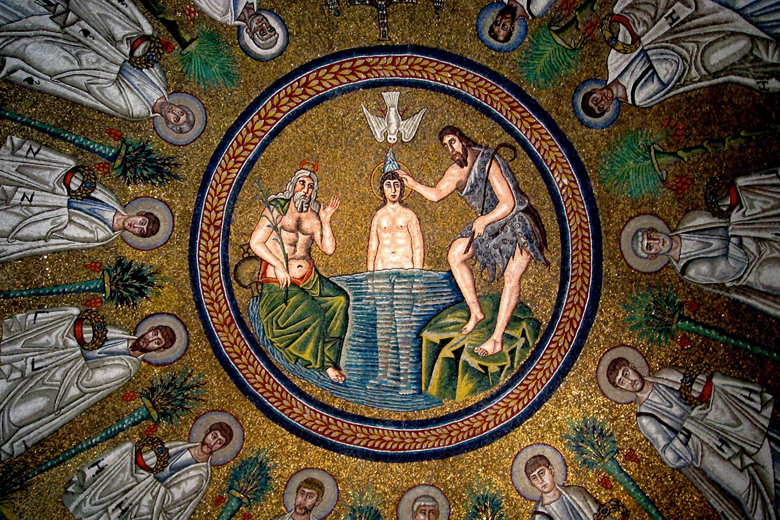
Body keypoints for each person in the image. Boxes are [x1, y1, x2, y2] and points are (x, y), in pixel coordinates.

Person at [398, 125, 548, 357]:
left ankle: (496, 339)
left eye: (453, 142)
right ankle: (476, 312)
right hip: (488, 224)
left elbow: (508, 203)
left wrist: (485, 220)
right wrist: (413, 184)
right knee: (455, 254)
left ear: (463, 139)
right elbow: (437, 194)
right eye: (446, 146)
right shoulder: (455, 171)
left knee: (511, 276)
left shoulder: (487, 161)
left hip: (516, 220)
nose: (451, 149)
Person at [606, 356, 777, 519]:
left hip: (722, 424)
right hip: (704, 452)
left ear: (632, 366)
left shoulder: (667, 375)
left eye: (626, 373)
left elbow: (704, 383)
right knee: (747, 487)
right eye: (622, 382)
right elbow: (670, 456)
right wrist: (688, 428)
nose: (629, 381)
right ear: (621, 389)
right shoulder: (645, 417)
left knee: (764, 458)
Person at [0, 306, 176, 462]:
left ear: (158, 350)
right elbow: (81, 333)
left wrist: (76, 347)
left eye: (157, 342)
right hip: (49, 368)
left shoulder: (127, 368)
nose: (149, 340)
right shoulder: (118, 332)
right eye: (154, 334)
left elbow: (86, 382)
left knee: (13, 417)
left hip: (59, 391)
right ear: (150, 329)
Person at [0, 0, 196, 130]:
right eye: (180, 112)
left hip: (82, 60)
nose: (173, 112)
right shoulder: (161, 82)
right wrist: (131, 48)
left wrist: (116, 55)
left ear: (168, 123)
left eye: (175, 118)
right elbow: (143, 54)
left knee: (31, 38)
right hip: (98, 35)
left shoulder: (137, 111)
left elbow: (100, 87)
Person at [580, 0, 780, 119]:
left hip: (678, 30)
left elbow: (628, 32)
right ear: (608, 109)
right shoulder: (638, 97)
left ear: (595, 90)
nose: (602, 101)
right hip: (697, 60)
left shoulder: (613, 62)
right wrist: (642, 43)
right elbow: (671, 68)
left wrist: (628, 23)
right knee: (743, 43)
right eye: (601, 107)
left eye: (596, 99)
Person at [628, 168, 780, 318]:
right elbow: (734, 266)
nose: (656, 241)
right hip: (755, 267)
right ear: (653, 256)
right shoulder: (691, 269)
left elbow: (722, 213)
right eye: (650, 246)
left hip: (757, 233)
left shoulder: (689, 221)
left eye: (651, 235)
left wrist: (732, 198)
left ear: (653, 229)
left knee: (743, 184)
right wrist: (735, 230)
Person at [249, 167, 349, 383]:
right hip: (280, 279)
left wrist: (326, 220)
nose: (306, 190)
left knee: (340, 300)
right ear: (292, 186)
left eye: (311, 186)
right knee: (312, 313)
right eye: (302, 183)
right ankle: (322, 364)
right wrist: (278, 265)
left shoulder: (314, 216)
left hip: (308, 278)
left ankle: (330, 357)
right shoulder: (276, 209)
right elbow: (255, 242)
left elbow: (328, 249)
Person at [0, 136, 161, 262]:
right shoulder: (113, 201)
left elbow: (64, 227)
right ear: (140, 213)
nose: (135, 225)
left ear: (135, 235)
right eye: (142, 222)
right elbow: (86, 186)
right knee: (67, 163)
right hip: (54, 191)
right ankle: (14, 160)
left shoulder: (101, 234)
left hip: (46, 211)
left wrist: (61, 194)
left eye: (139, 230)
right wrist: (71, 181)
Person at [63, 421, 232, 520]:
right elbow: (151, 459)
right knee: (126, 450)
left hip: (151, 505)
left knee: (131, 480)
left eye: (219, 442)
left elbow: (168, 501)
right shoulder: (180, 446)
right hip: (142, 480)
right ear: (207, 432)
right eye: (214, 436)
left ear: (221, 448)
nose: (212, 443)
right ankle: (86, 485)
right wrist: (139, 464)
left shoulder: (199, 476)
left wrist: (146, 476)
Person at [367, 170, 424, 271]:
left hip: (405, 267)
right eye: (388, 185)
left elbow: (417, 246)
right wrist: (370, 275)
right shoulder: (378, 216)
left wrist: (418, 273)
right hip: (382, 267)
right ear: (383, 189)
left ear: (401, 188)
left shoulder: (409, 215)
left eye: (396, 185)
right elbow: (372, 247)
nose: (393, 190)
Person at [525, 454, 600, 519]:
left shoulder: (577, 492)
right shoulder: (540, 514)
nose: (540, 480)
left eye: (542, 473)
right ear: (531, 482)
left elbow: (601, 514)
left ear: (551, 470)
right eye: (534, 478)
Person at [192, 0, 279, 50]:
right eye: (270, 28)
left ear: (249, 33)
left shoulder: (224, 13)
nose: (263, 25)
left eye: (262, 32)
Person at [488, 0, 557, 43]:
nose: (503, 19)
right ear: (512, 28)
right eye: (504, 26)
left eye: (497, 22)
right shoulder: (535, 9)